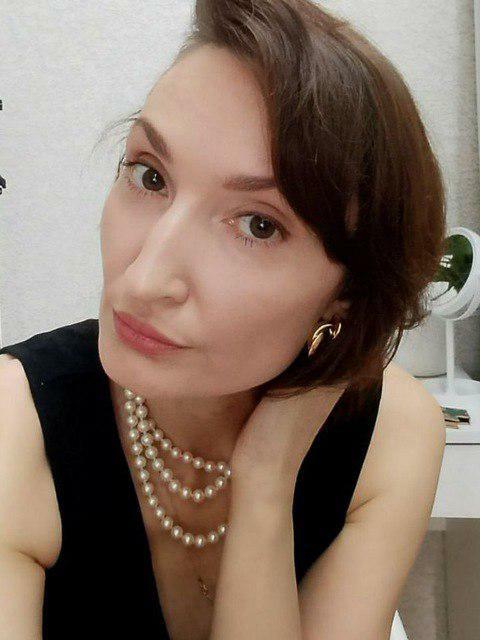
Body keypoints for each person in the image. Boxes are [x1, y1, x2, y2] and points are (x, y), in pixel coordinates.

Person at [0, 1, 447, 638]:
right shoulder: (14, 426)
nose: (144, 280)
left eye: (257, 225)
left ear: (346, 295)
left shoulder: (391, 436)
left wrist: (266, 481)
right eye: (149, 176)